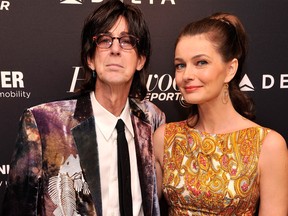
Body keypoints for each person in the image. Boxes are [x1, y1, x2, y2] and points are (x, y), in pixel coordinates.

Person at [2, 0, 165, 215]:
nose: (115, 49)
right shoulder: (44, 124)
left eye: (127, 41)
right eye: (105, 40)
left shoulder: (152, 119)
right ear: (90, 58)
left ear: (140, 60)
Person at [154, 12, 288, 215]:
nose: (187, 75)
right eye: (180, 65)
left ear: (230, 69)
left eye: (201, 62)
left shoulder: (268, 145)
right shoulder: (165, 138)